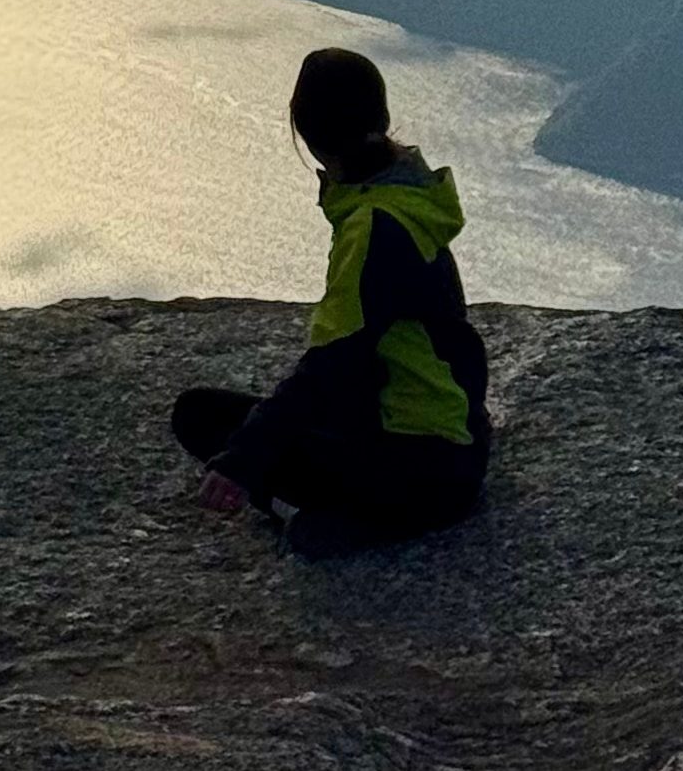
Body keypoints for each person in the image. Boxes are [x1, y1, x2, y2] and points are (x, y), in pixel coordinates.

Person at [172, 46, 492, 550]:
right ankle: (332, 509)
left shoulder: (370, 227)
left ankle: (329, 517)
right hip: (459, 450)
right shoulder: (412, 198)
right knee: (243, 424)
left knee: (200, 418)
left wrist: (242, 464)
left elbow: (328, 370)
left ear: (310, 139)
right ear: (382, 117)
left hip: (413, 471)